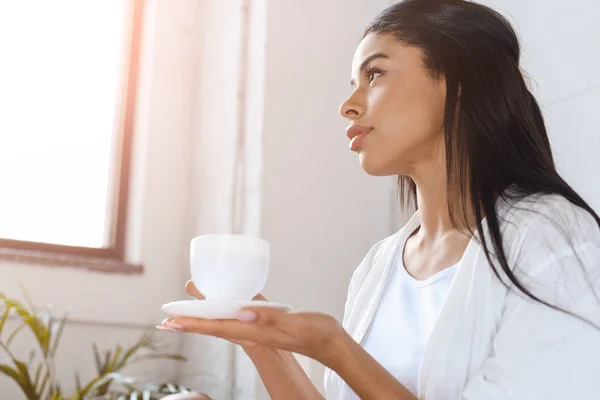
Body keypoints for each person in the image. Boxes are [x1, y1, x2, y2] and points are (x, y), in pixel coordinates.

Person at [158, 0, 600, 398]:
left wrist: (336, 348)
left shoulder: (556, 239)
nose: (347, 105)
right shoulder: (380, 264)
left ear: (459, 80)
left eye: (374, 74)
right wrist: (261, 341)